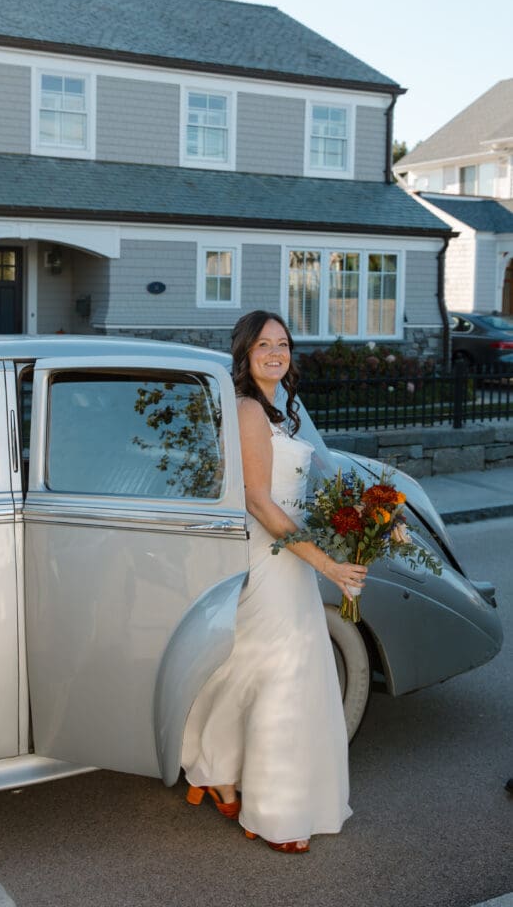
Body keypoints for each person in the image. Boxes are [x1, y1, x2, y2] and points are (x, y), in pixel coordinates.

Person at [181, 310, 367, 853]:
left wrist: (365, 523)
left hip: (295, 554)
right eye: (263, 344)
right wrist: (329, 565)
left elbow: (307, 489)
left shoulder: (284, 411)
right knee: (282, 678)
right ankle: (276, 812)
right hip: (269, 554)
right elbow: (260, 500)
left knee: (262, 670)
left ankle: (215, 768)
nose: (275, 352)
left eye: (282, 344)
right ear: (245, 353)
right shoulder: (247, 410)